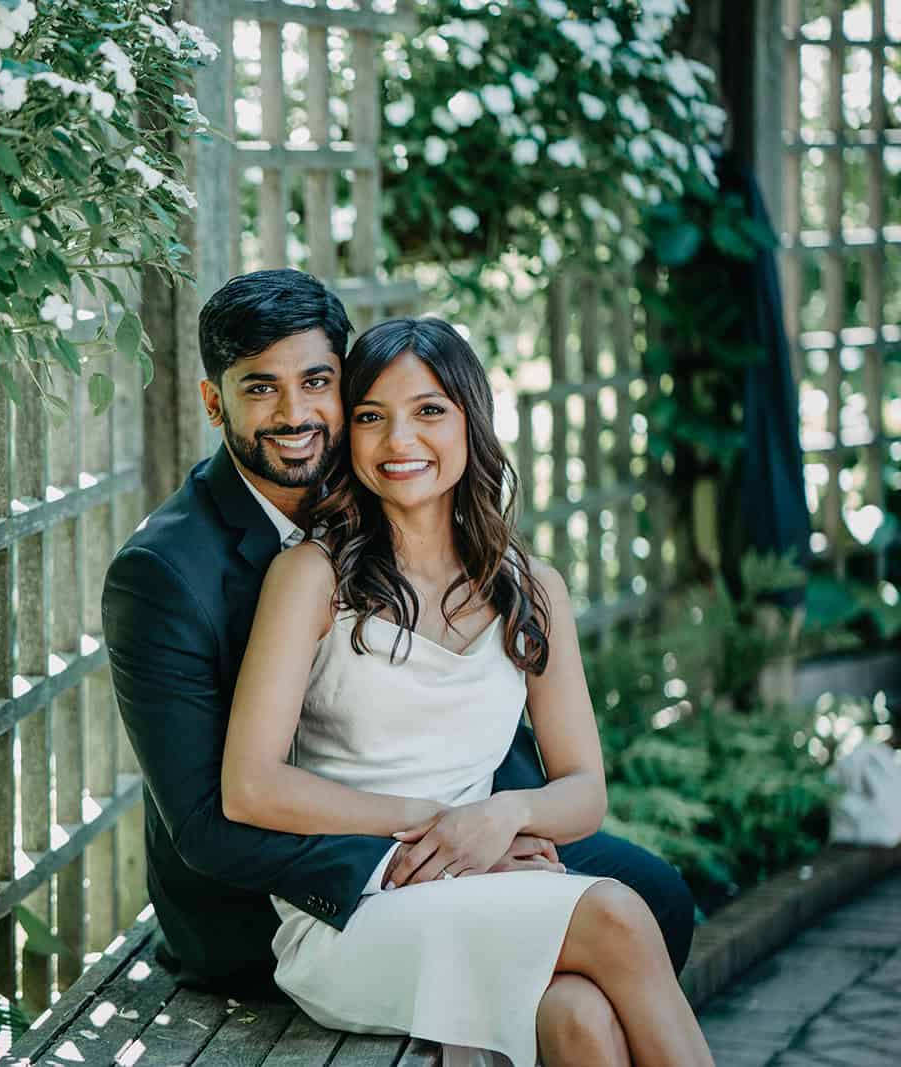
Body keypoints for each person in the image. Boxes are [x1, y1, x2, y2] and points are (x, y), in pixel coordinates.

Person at [102, 270, 695, 1004]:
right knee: (600, 934)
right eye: (260, 388)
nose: (295, 413)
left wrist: (498, 821)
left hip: (452, 812)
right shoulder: (162, 573)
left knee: (657, 900)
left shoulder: (388, 480)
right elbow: (207, 823)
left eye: (317, 381)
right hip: (274, 892)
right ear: (214, 401)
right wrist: (440, 848)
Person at [219, 315, 711, 1065]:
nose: (398, 440)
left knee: (580, 1017)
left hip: (479, 874)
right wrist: (442, 824)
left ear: (471, 423)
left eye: (428, 411)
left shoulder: (530, 589)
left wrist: (499, 817)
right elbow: (248, 786)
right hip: (358, 907)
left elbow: (584, 790)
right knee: (615, 911)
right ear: (348, 437)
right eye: (371, 417)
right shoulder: (312, 577)